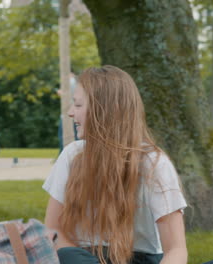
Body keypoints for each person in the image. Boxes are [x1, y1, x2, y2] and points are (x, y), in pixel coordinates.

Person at [43, 65, 187, 264]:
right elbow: (53, 230)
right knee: (65, 255)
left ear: (104, 110)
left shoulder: (154, 163)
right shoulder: (72, 155)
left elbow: (176, 250)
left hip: (137, 258)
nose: (69, 113)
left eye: (77, 105)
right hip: (80, 257)